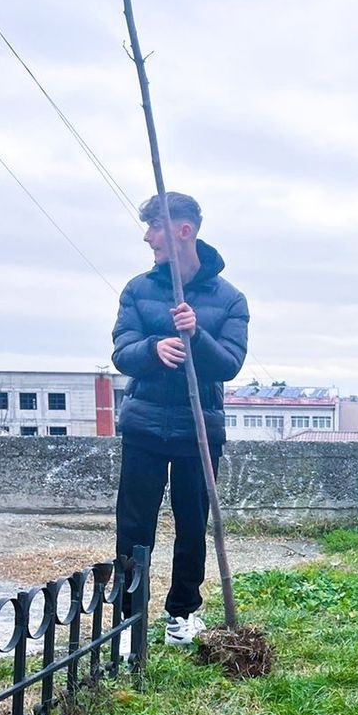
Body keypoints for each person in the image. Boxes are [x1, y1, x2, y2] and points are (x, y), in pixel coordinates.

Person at [112, 192, 249, 646]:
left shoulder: (230, 299)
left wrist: (196, 333)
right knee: (134, 526)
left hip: (198, 431)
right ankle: (129, 619)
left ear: (182, 231)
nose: (147, 236)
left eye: (154, 226)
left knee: (192, 525)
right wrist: (153, 349)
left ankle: (181, 614)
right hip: (145, 426)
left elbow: (229, 363)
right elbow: (121, 352)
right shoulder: (138, 289)